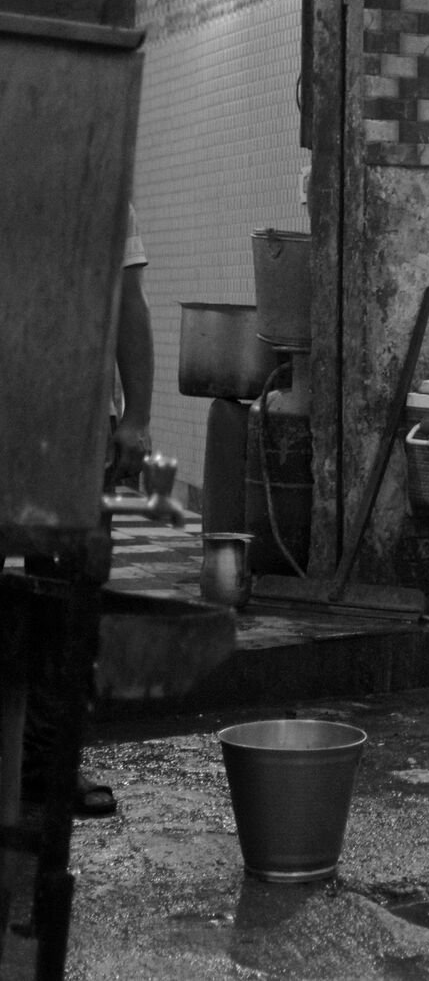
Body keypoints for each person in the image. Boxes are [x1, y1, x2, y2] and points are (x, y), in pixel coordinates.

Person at [23, 204, 152, 819]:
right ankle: (43, 766)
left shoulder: (101, 182)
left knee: (68, 597)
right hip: (48, 414)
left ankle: (48, 764)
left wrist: (136, 418)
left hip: (75, 417)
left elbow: (126, 301)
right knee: (64, 599)